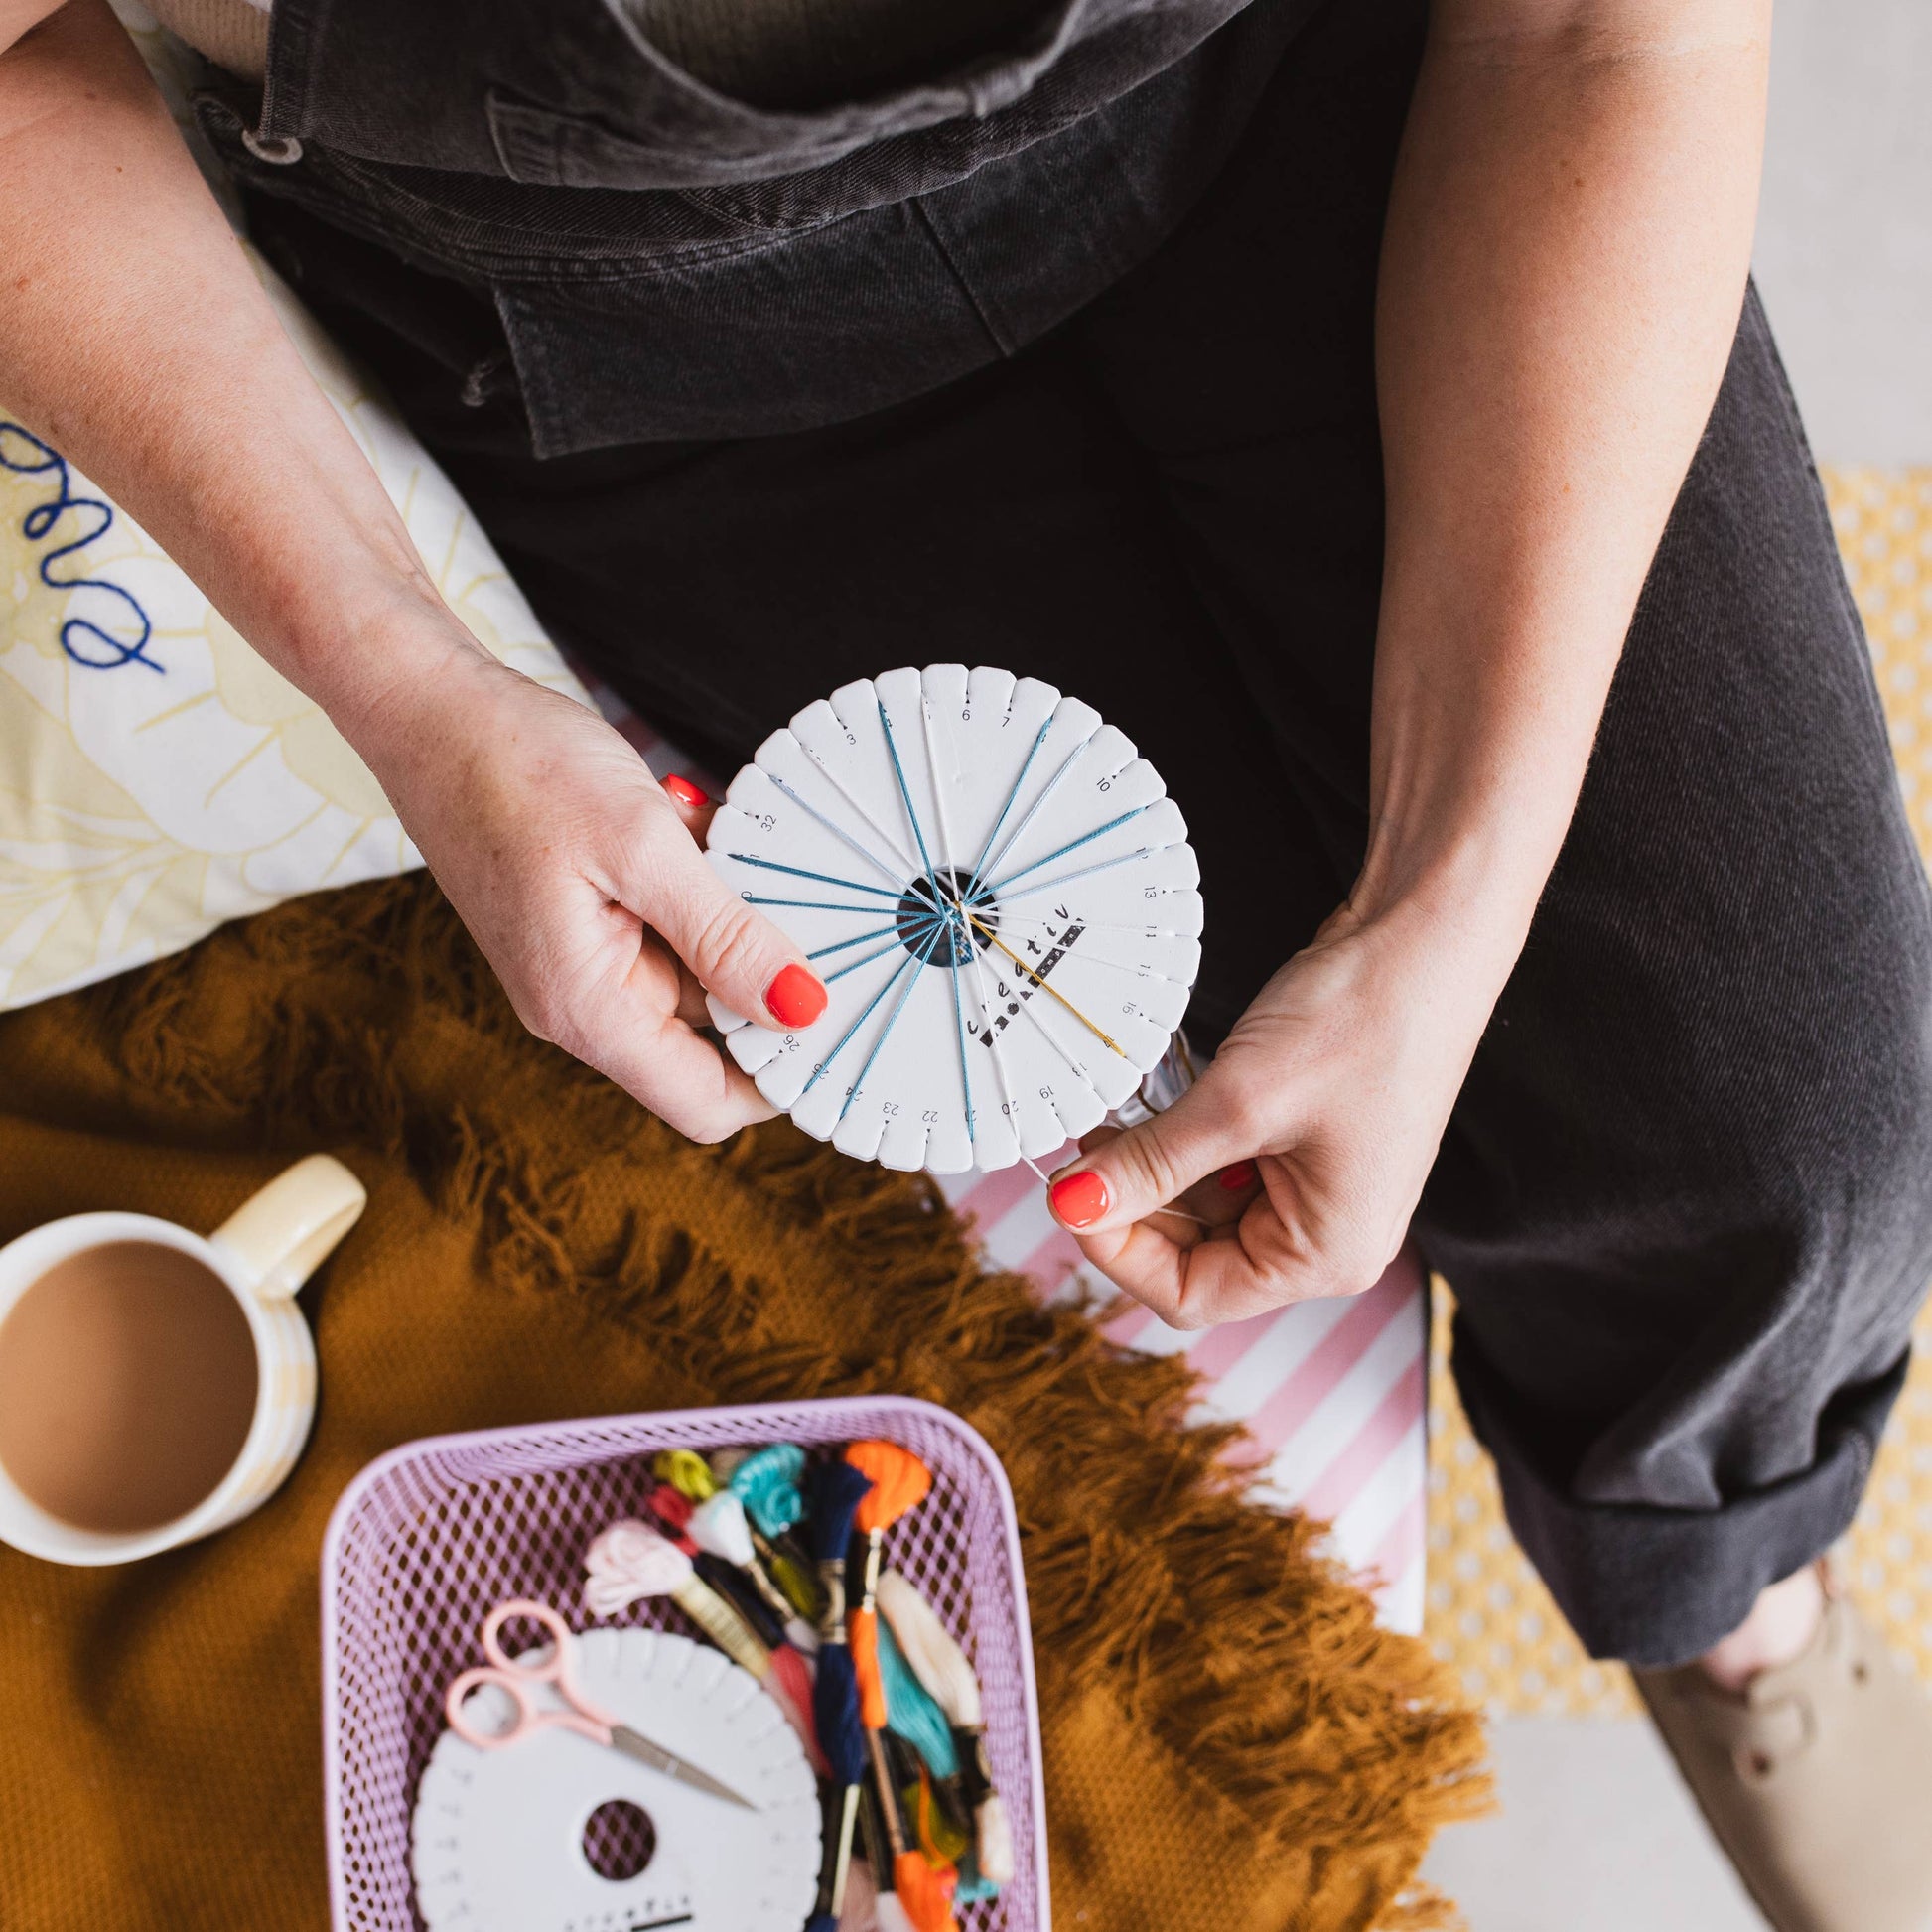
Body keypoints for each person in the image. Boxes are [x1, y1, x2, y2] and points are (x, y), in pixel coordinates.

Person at [3, 0, 1930, 1920]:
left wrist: (1454, 894)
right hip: (630, 364)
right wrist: (422, 694)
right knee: (1117, 1028)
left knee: (1789, 1151)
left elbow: (1612, 37)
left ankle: (1723, 1580)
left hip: (1356, 100)